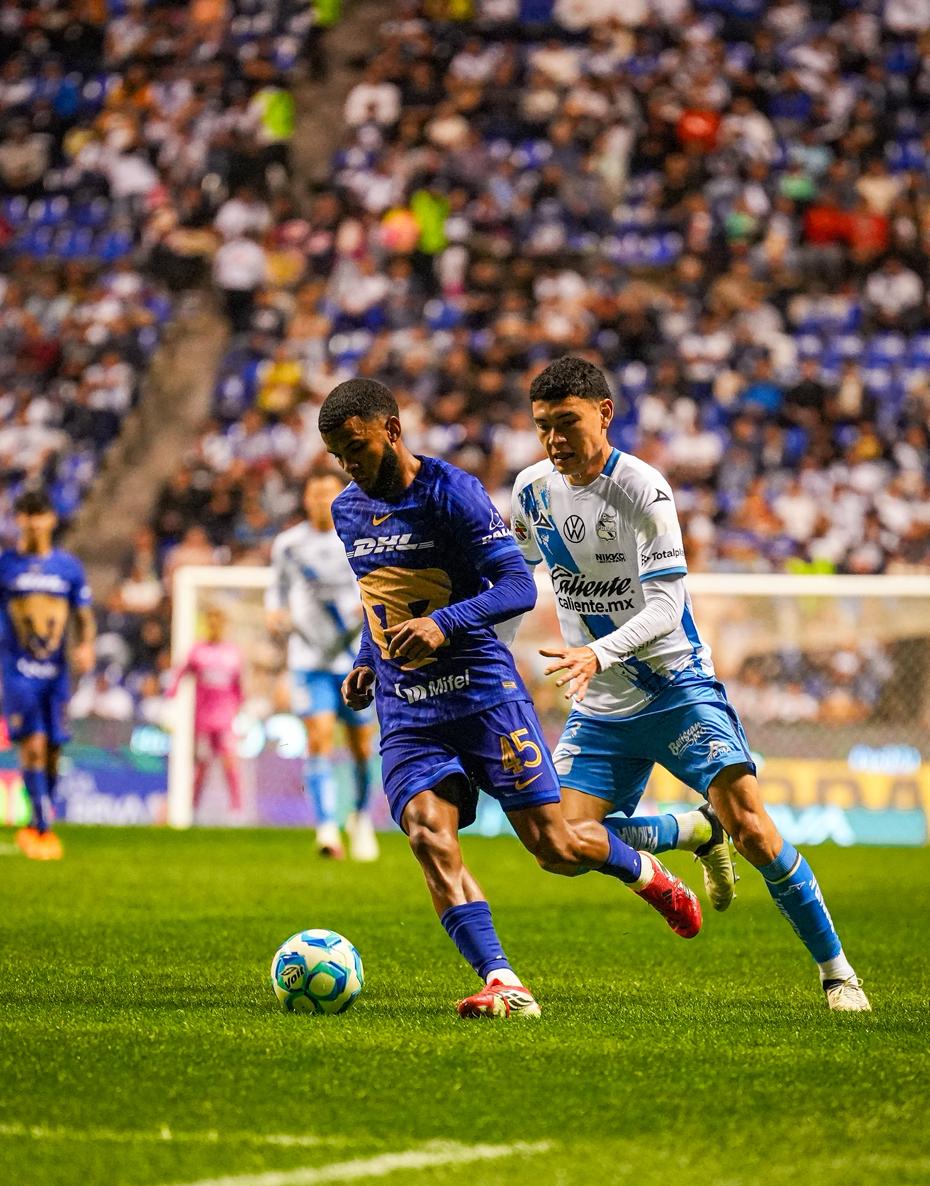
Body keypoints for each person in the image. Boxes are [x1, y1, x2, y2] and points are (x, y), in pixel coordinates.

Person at [319, 377, 702, 1021]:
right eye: (338, 456)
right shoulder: (347, 510)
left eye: (357, 448)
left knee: (554, 847)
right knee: (426, 834)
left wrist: (444, 624)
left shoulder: (452, 492)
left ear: (391, 430)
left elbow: (517, 587)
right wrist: (367, 659)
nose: (350, 466)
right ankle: (503, 980)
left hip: (482, 696)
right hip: (409, 709)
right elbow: (382, 595)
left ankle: (646, 870)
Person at [511, 356, 870, 1013]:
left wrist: (595, 652)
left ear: (604, 414)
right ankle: (689, 833)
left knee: (755, 832)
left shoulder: (643, 488)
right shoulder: (531, 490)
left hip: (675, 687)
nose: (554, 439)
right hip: (603, 704)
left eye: (567, 423)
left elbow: (664, 606)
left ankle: (838, 974)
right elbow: (515, 578)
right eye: (543, 427)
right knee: (558, 845)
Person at [266, 471, 378, 862]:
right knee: (318, 738)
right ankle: (327, 827)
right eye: (314, 494)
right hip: (309, 658)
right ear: (305, 498)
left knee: (362, 747)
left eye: (327, 494)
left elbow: (375, 585)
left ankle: (361, 819)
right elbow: (275, 590)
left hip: (355, 660)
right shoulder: (289, 544)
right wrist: (276, 613)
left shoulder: (359, 537)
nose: (320, 501)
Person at [0, 489, 95, 860]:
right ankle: (42, 827)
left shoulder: (68, 567)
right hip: (17, 670)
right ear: (18, 520)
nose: (34, 522)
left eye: (40, 514)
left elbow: (84, 613)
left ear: (52, 519)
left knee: (54, 748)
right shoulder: (6, 565)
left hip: (56, 673)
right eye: (27, 515)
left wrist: (86, 644)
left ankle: (38, 818)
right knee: (34, 745)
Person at [169, 605, 244, 818]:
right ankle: (192, 810)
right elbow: (179, 675)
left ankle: (236, 811)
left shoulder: (233, 653)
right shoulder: (198, 651)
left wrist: (239, 710)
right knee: (202, 767)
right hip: (203, 721)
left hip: (225, 720)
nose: (214, 628)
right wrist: (170, 700)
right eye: (210, 623)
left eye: (217, 623)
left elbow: (238, 688)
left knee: (230, 763)